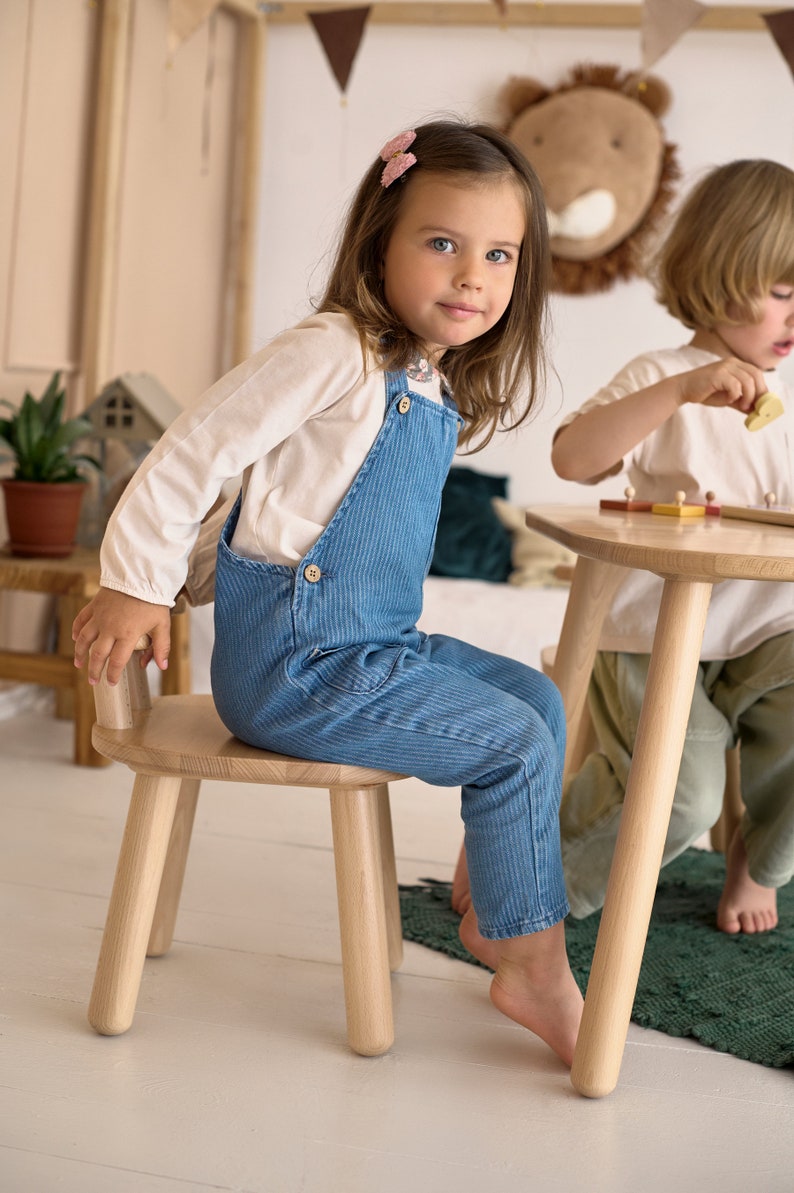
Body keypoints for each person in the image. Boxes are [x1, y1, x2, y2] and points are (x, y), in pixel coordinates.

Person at [72, 120, 583, 1066]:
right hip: (296, 669)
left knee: (536, 700)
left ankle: (490, 907)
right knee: (509, 746)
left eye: (499, 254)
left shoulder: (425, 384)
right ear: (379, 242)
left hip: (369, 649)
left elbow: (275, 498)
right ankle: (534, 961)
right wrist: (138, 581)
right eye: (443, 243)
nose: (473, 276)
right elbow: (199, 448)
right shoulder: (335, 349)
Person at [454, 158, 794, 937]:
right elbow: (574, 459)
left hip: (771, 628)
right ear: (719, 274)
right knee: (679, 793)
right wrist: (678, 392)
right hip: (655, 635)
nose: (793, 316)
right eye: (780, 292)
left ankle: (758, 858)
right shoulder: (666, 376)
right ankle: (526, 883)